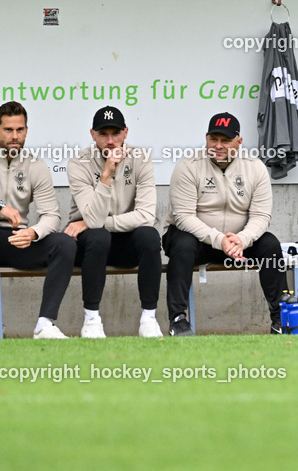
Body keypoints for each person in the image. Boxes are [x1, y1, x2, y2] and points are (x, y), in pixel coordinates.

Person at [162, 112, 285, 336]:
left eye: (225, 140)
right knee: (182, 244)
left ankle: (280, 319)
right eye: (213, 139)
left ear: (239, 141)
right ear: (206, 138)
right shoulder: (188, 165)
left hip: (237, 243)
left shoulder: (255, 167)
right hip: (197, 240)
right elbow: (183, 216)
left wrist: (242, 239)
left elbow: (261, 216)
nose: (218, 146)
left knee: (270, 245)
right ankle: (178, 319)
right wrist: (220, 240)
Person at [0, 102, 76, 338]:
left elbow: (51, 215)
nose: (14, 136)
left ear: (26, 130)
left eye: (20, 130)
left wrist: (34, 233)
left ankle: (45, 324)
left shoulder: (36, 166)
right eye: (8, 130)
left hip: (16, 241)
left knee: (65, 243)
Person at [66, 106, 162, 338]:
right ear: (92, 134)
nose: (110, 140)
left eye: (116, 133)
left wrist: (90, 223)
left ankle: (149, 319)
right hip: (90, 247)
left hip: (125, 243)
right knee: (98, 236)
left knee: (149, 236)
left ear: (126, 132)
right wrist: (106, 175)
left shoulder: (141, 159)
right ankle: (91, 319)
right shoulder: (79, 163)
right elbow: (93, 218)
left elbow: (146, 215)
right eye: (103, 134)